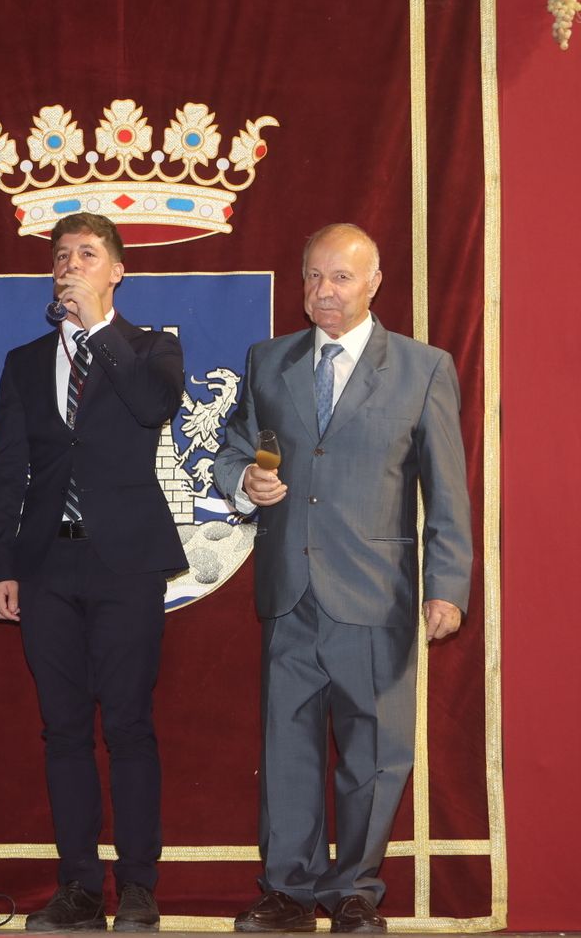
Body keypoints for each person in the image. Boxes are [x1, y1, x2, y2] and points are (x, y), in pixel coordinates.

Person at [214, 223, 472, 934]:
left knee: (375, 753)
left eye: (341, 277)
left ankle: (355, 890)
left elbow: (448, 490)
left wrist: (447, 584)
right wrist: (244, 479)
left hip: (377, 593)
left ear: (374, 283)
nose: (323, 291)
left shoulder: (424, 368)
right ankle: (288, 892)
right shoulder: (268, 361)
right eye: (313, 276)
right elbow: (236, 447)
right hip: (288, 592)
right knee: (287, 749)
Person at [0, 212, 185, 932]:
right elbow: (6, 469)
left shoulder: (152, 347)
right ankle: (78, 887)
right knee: (63, 729)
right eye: (62, 255)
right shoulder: (25, 361)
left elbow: (154, 406)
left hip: (126, 561)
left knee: (128, 724)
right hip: (46, 565)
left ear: (117, 271)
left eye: (88, 254)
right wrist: (2, 564)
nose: (71, 264)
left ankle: (138, 886)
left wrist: (98, 327)